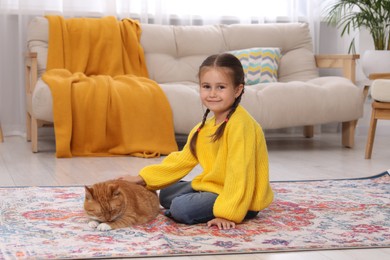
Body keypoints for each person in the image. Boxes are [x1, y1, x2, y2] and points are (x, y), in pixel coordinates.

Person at [122, 53, 273, 230]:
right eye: (206, 86)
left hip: (242, 196)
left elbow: (239, 173)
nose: (213, 94)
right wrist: (141, 178)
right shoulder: (203, 128)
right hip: (217, 188)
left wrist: (227, 214)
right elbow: (180, 161)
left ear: (237, 90)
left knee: (180, 208)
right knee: (166, 194)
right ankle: (201, 201)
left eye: (221, 87)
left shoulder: (241, 125)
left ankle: (211, 207)